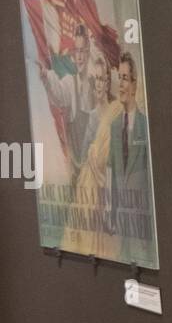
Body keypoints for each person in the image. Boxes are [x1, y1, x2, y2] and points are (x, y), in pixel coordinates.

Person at [61, 51, 122, 257]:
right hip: (91, 188)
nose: (99, 84)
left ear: (107, 82)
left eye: (102, 79)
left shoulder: (116, 111)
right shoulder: (92, 117)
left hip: (111, 184)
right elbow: (84, 155)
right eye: (95, 79)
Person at [107, 51, 152, 263]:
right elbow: (111, 171)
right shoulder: (115, 126)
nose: (121, 85)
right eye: (119, 79)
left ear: (134, 85)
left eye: (125, 79)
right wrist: (111, 212)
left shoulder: (146, 125)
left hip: (144, 227)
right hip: (122, 226)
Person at [40, 22, 95, 180]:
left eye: (82, 51)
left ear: (88, 52)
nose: (79, 56)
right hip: (78, 173)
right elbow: (57, 94)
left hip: (97, 173)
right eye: (76, 51)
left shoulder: (96, 85)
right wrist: (46, 75)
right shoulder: (70, 83)